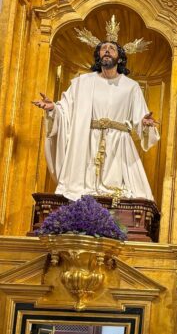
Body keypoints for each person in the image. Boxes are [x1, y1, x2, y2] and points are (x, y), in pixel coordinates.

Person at [33, 19, 158, 201]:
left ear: (120, 58)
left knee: (123, 191)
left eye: (112, 48)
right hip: (86, 141)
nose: (106, 50)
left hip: (118, 144)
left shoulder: (131, 86)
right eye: (103, 48)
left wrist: (145, 124)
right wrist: (53, 110)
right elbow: (64, 112)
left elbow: (141, 119)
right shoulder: (81, 83)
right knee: (83, 188)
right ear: (98, 55)